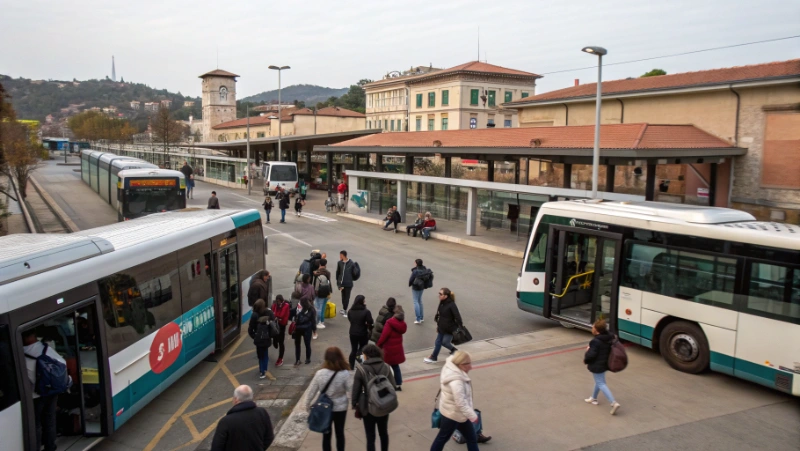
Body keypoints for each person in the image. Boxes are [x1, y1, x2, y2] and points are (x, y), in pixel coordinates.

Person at [430, 351, 490, 451]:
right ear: (461, 365)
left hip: (455, 413)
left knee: (471, 438)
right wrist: (472, 416)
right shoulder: (457, 382)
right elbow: (460, 403)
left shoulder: (450, 367)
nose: (471, 367)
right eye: (468, 364)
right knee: (442, 438)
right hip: (453, 415)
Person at [23, 330, 71, 451]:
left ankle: (36, 447)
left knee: (36, 423)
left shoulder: (21, 353)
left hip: (35, 395)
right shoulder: (46, 348)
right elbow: (62, 363)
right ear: (34, 336)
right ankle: (50, 446)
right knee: (50, 419)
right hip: (52, 391)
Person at [306, 347, 352, 451]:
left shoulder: (320, 373)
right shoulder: (344, 373)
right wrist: (354, 403)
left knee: (326, 434)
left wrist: (307, 405)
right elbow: (351, 389)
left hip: (324, 407)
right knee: (340, 433)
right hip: (341, 407)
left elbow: (311, 391)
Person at [352, 344, 395, 451]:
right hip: (383, 404)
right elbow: (393, 385)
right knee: (383, 433)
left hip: (368, 407)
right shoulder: (386, 367)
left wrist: (354, 403)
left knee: (370, 437)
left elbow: (356, 389)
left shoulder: (361, 369)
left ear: (366, 355)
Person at [210, 385, 274, 451]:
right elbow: (269, 437)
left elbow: (216, 447)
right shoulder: (262, 412)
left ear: (236, 399)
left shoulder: (225, 422)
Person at [584, 318, 621, 415]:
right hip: (605, 363)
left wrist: (587, 353)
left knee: (601, 383)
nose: (592, 328)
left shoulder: (595, 341)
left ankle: (613, 403)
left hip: (597, 364)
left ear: (597, 330)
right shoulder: (609, 337)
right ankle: (593, 398)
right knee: (599, 381)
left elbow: (591, 355)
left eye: (593, 327)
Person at [424, 288, 461, 364]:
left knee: (441, 342)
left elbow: (458, 317)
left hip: (449, 328)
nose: (439, 295)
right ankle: (453, 351)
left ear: (446, 296)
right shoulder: (442, 303)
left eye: (441, 294)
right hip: (442, 327)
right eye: (439, 293)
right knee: (441, 342)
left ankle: (434, 357)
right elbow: (440, 316)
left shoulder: (452, 305)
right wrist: (438, 326)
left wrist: (459, 327)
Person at [377, 305, 407, 390]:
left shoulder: (390, 322)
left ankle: (384, 383)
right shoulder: (402, 324)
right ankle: (398, 384)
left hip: (388, 349)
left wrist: (378, 345)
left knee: (384, 366)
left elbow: (384, 336)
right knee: (395, 366)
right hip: (397, 348)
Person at [248, 299, 276, 380]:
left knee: (260, 355)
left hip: (259, 339)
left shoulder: (254, 315)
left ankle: (262, 371)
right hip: (266, 338)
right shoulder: (268, 313)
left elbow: (250, 329)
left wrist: (255, 336)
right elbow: (273, 324)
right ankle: (264, 369)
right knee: (265, 353)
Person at [347, 295, 374, 369]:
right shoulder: (366, 312)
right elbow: (370, 322)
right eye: (364, 301)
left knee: (353, 349)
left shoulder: (350, 311)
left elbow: (350, 320)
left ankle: (351, 365)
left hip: (352, 332)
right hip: (363, 333)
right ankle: (361, 361)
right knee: (363, 348)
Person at [409, 259, 434, 324]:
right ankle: (421, 318)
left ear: (416, 263)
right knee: (419, 301)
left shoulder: (415, 271)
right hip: (422, 286)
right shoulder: (424, 269)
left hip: (416, 287)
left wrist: (410, 284)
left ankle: (418, 319)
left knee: (415, 301)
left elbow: (411, 279)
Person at [292, 298, 316, 365]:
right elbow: (313, 320)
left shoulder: (298, 309)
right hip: (307, 328)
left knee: (297, 345)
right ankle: (308, 359)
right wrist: (314, 330)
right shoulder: (311, 309)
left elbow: (292, 315)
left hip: (298, 329)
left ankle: (297, 359)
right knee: (307, 345)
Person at [272, 294, 290, 367]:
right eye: (277, 301)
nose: (278, 303)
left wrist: (276, 316)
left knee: (281, 342)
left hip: (282, 325)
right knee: (275, 336)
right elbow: (272, 313)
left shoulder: (286, 305)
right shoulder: (275, 305)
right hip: (276, 324)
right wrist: (276, 316)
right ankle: (275, 342)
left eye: (279, 301)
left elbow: (281, 315)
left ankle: (280, 358)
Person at [336, 250, 356, 316]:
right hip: (342, 283)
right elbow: (338, 273)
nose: (339, 256)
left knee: (347, 297)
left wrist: (351, 279)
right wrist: (338, 283)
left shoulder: (351, 263)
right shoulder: (339, 263)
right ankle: (344, 308)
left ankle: (345, 310)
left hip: (348, 284)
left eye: (340, 255)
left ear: (342, 255)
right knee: (343, 297)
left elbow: (354, 273)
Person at [314, 258, 332, 329]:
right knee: (323, 307)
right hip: (326, 292)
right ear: (325, 264)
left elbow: (315, 284)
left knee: (318, 307)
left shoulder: (316, 273)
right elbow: (329, 282)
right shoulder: (328, 273)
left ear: (319, 264)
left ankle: (318, 321)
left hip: (318, 292)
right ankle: (322, 321)